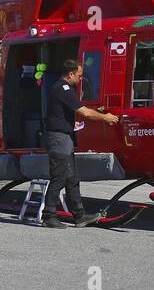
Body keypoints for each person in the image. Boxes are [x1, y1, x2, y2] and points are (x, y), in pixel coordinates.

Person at [42, 59, 119, 228]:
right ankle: (48, 215)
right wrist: (105, 117)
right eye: (78, 75)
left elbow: (60, 113)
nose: (80, 79)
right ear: (70, 74)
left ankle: (79, 215)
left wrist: (71, 123)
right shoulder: (63, 88)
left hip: (66, 137)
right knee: (59, 177)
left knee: (72, 178)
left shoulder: (64, 89)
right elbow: (85, 112)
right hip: (59, 139)